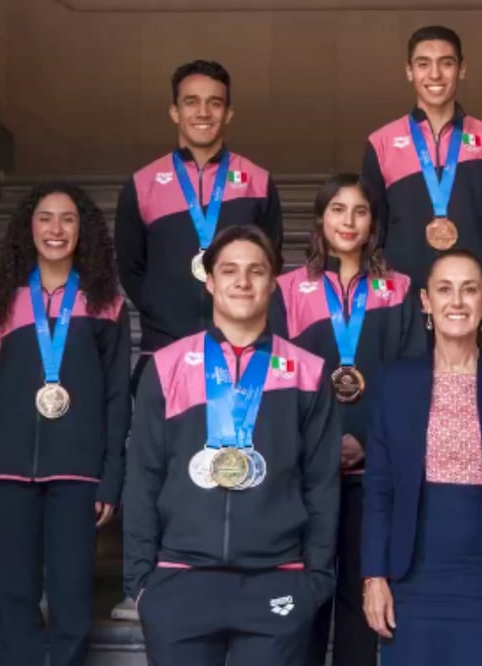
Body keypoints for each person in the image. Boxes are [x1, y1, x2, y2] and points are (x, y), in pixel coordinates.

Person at [112, 58, 284, 620]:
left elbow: (268, 265)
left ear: (228, 112)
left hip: (241, 360)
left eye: (214, 102)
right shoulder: (142, 183)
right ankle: (146, 580)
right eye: (192, 101)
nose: (203, 112)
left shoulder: (256, 181)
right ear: (174, 111)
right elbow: (131, 269)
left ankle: (233, 581)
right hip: (165, 353)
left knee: (234, 461)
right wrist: (167, 316)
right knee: (157, 470)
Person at [123, 225, 339, 665]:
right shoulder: (166, 368)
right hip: (180, 582)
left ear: (273, 282)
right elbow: (143, 475)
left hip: (277, 581)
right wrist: (142, 582)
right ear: (210, 280)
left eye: (256, 271)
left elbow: (322, 483)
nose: (243, 281)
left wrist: (315, 578)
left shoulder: (308, 373)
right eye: (230, 270)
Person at [0, 183, 131, 666]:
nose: (55, 229)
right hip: (11, 471)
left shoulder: (107, 305)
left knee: (73, 603)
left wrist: (111, 475)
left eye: (67, 219)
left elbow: (118, 396)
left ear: (83, 231)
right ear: (28, 227)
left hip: (78, 476)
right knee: (14, 600)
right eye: (45, 218)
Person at [361, 250, 482, 665]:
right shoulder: (395, 383)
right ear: (426, 302)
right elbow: (379, 490)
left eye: (469, 290)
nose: (457, 302)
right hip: (411, 579)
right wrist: (373, 576)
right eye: (444, 290)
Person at [268, 173, 425, 665]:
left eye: (360, 211)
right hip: (307, 474)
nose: (348, 221)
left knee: (363, 601)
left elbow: (411, 381)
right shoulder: (288, 289)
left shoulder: (399, 289)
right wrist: (321, 444)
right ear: (320, 219)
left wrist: (363, 439)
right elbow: (279, 380)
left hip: (373, 474)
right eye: (338, 209)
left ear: (373, 222)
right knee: (305, 596)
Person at [362, 25, 482, 290]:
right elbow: (375, 230)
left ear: (462, 69)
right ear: (409, 71)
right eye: (423, 64)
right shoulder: (381, 143)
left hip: (468, 296)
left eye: (446, 63)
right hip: (402, 296)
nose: (435, 74)